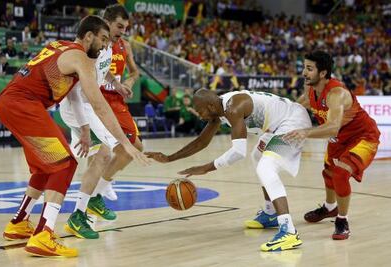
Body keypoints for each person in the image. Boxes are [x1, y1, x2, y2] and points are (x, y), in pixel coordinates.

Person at [0, 15, 149, 258]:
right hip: (23, 104)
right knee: (64, 165)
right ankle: (44, 235)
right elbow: (99, 105)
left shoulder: (58, 45)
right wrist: (124, 143)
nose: (104, 45)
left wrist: (87, 128)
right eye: (101, 39)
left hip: (12, 102)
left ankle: (18, 223)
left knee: (45, 169)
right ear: (88, 36)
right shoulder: (81, 58)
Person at [146, 88, 311, 252]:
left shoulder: (234, 107)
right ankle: (270, 213)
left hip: (292, 121)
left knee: (266, 167)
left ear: (210, 107)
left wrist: (206, 168)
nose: (198, 115)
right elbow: (201, 142)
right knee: (258, 157)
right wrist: (169, 158)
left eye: (199, 111)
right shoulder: (218, 111)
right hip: (276, 126)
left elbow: (238, 152)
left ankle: (288, 230)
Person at [60, 4, 143, 239]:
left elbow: (102, 69)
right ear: (106, 22)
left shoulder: (106, 46)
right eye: (119, 27)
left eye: (125, 29)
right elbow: (78, 86)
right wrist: (85, 126)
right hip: (78, 106)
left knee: (101, 156)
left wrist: (115, 83)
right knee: (105, 154)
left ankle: (91, 201)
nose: (122, 32)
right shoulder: (91, 46)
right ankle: (79, 213)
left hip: (88, 107)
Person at [284, 51, 380, 240]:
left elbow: (333, 127)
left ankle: (342, 220)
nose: (304, 72)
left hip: (362, 137)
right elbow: (301, 104)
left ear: (323, 73)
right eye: (304, 67)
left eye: (309, 69)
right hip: (339, 139)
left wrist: (306, 132)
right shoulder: (310, 88)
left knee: (341, 174)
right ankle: (330, 208)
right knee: (328, 172)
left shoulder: (337, 93)